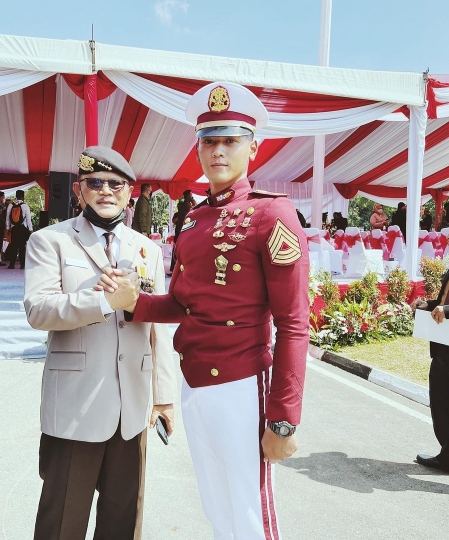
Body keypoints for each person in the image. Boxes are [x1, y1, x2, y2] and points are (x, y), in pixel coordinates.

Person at [97, 82, 310, 539]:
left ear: (253, 145)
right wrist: (133, 303)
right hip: (195, 383)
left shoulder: (272, 215)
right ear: (197, 147)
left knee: (251, 515)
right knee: (217, 510)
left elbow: (294, 324)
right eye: (209, 141)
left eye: (230, 140)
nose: (218, 151)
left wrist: (284, 418)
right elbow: (182, 303)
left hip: (242, 386)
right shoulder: (193, 220)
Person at [24, 146, 176, 540]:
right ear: (80, 190)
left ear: (129, 193)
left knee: (122, 520)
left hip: (132, 409)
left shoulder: (149, 250)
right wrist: (102, 301)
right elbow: (39, 310)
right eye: (95, 183)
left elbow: (157, 328)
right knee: (62, 523)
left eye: (115, 184)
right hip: (76, 406)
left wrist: (164, 397)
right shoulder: (50, 241)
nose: (105, 191)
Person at [411, 271, 449, 473]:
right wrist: (430, 305)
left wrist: (446, 310)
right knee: (440, 402)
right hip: (443, 343)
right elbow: (443, 302)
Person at [170, 190, 196, 273]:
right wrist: (194, 202)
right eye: (191, 195)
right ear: (188, 196)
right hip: (182, 231)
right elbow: (195, 210)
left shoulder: (185, 205)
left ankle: (175, 267)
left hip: (181, 230)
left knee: (178, 249)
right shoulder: (186, 205)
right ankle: (178, 268)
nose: (192, 197)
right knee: (180, 249)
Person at [6, 189, 32, 269]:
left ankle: (12, 264)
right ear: (23, 197)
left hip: (14, 228)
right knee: (22, 246)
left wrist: (8, 227)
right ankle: (22, 264)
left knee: (13, 246)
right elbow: (28, 219)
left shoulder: (11, 205)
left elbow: (7, 217)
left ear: (16, 196)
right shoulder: (25, 206)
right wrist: (30, 229)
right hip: (22, 228)